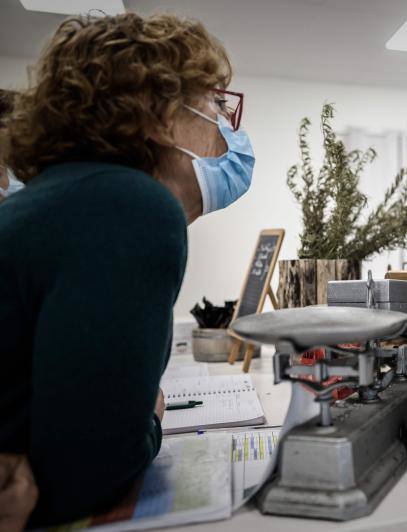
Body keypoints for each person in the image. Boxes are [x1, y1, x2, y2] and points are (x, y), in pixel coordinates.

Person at [0, 12, 254, 527]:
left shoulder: (61, 196)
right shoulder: (131, 206)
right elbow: (90, 468)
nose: (221, 120)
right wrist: (152, 419)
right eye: (212, 99)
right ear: (160, 111)